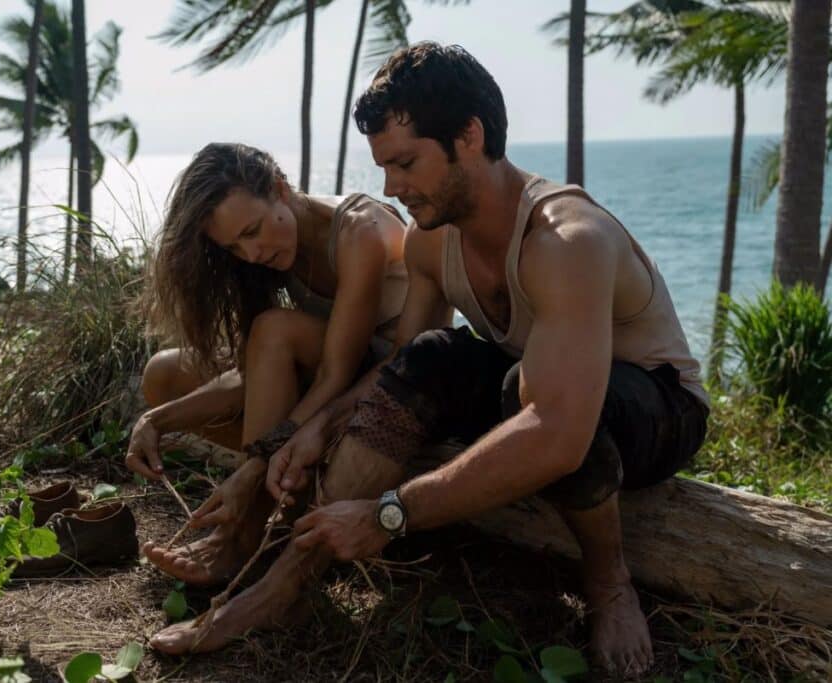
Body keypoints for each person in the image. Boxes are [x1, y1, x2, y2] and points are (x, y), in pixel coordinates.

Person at [147, 44, 710, 679]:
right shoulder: (429, 239)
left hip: (657, 407)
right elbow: (400, 371)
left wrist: (391, 515)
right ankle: (281, 585)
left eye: (406, 163)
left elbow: (556, 430)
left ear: (469, 136)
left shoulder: (565, 240)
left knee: (521, 391)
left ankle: (610, 586)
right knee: (433, 354)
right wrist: (316, 429)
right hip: (530, 387)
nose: (390, 187)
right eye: (384, 167)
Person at [125, 142, 413, 585]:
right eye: (235, 247)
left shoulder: (360, 232)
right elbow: (255, 367)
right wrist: (157, 419)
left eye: (253, 230)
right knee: (164, 375)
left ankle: (245, 534)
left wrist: (253, 466)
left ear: (280, 188)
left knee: (274, 328)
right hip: (318, 381)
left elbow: (338, 373)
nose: (252, 254)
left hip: (382, 383)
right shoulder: (278, 253)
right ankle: (286, 493)